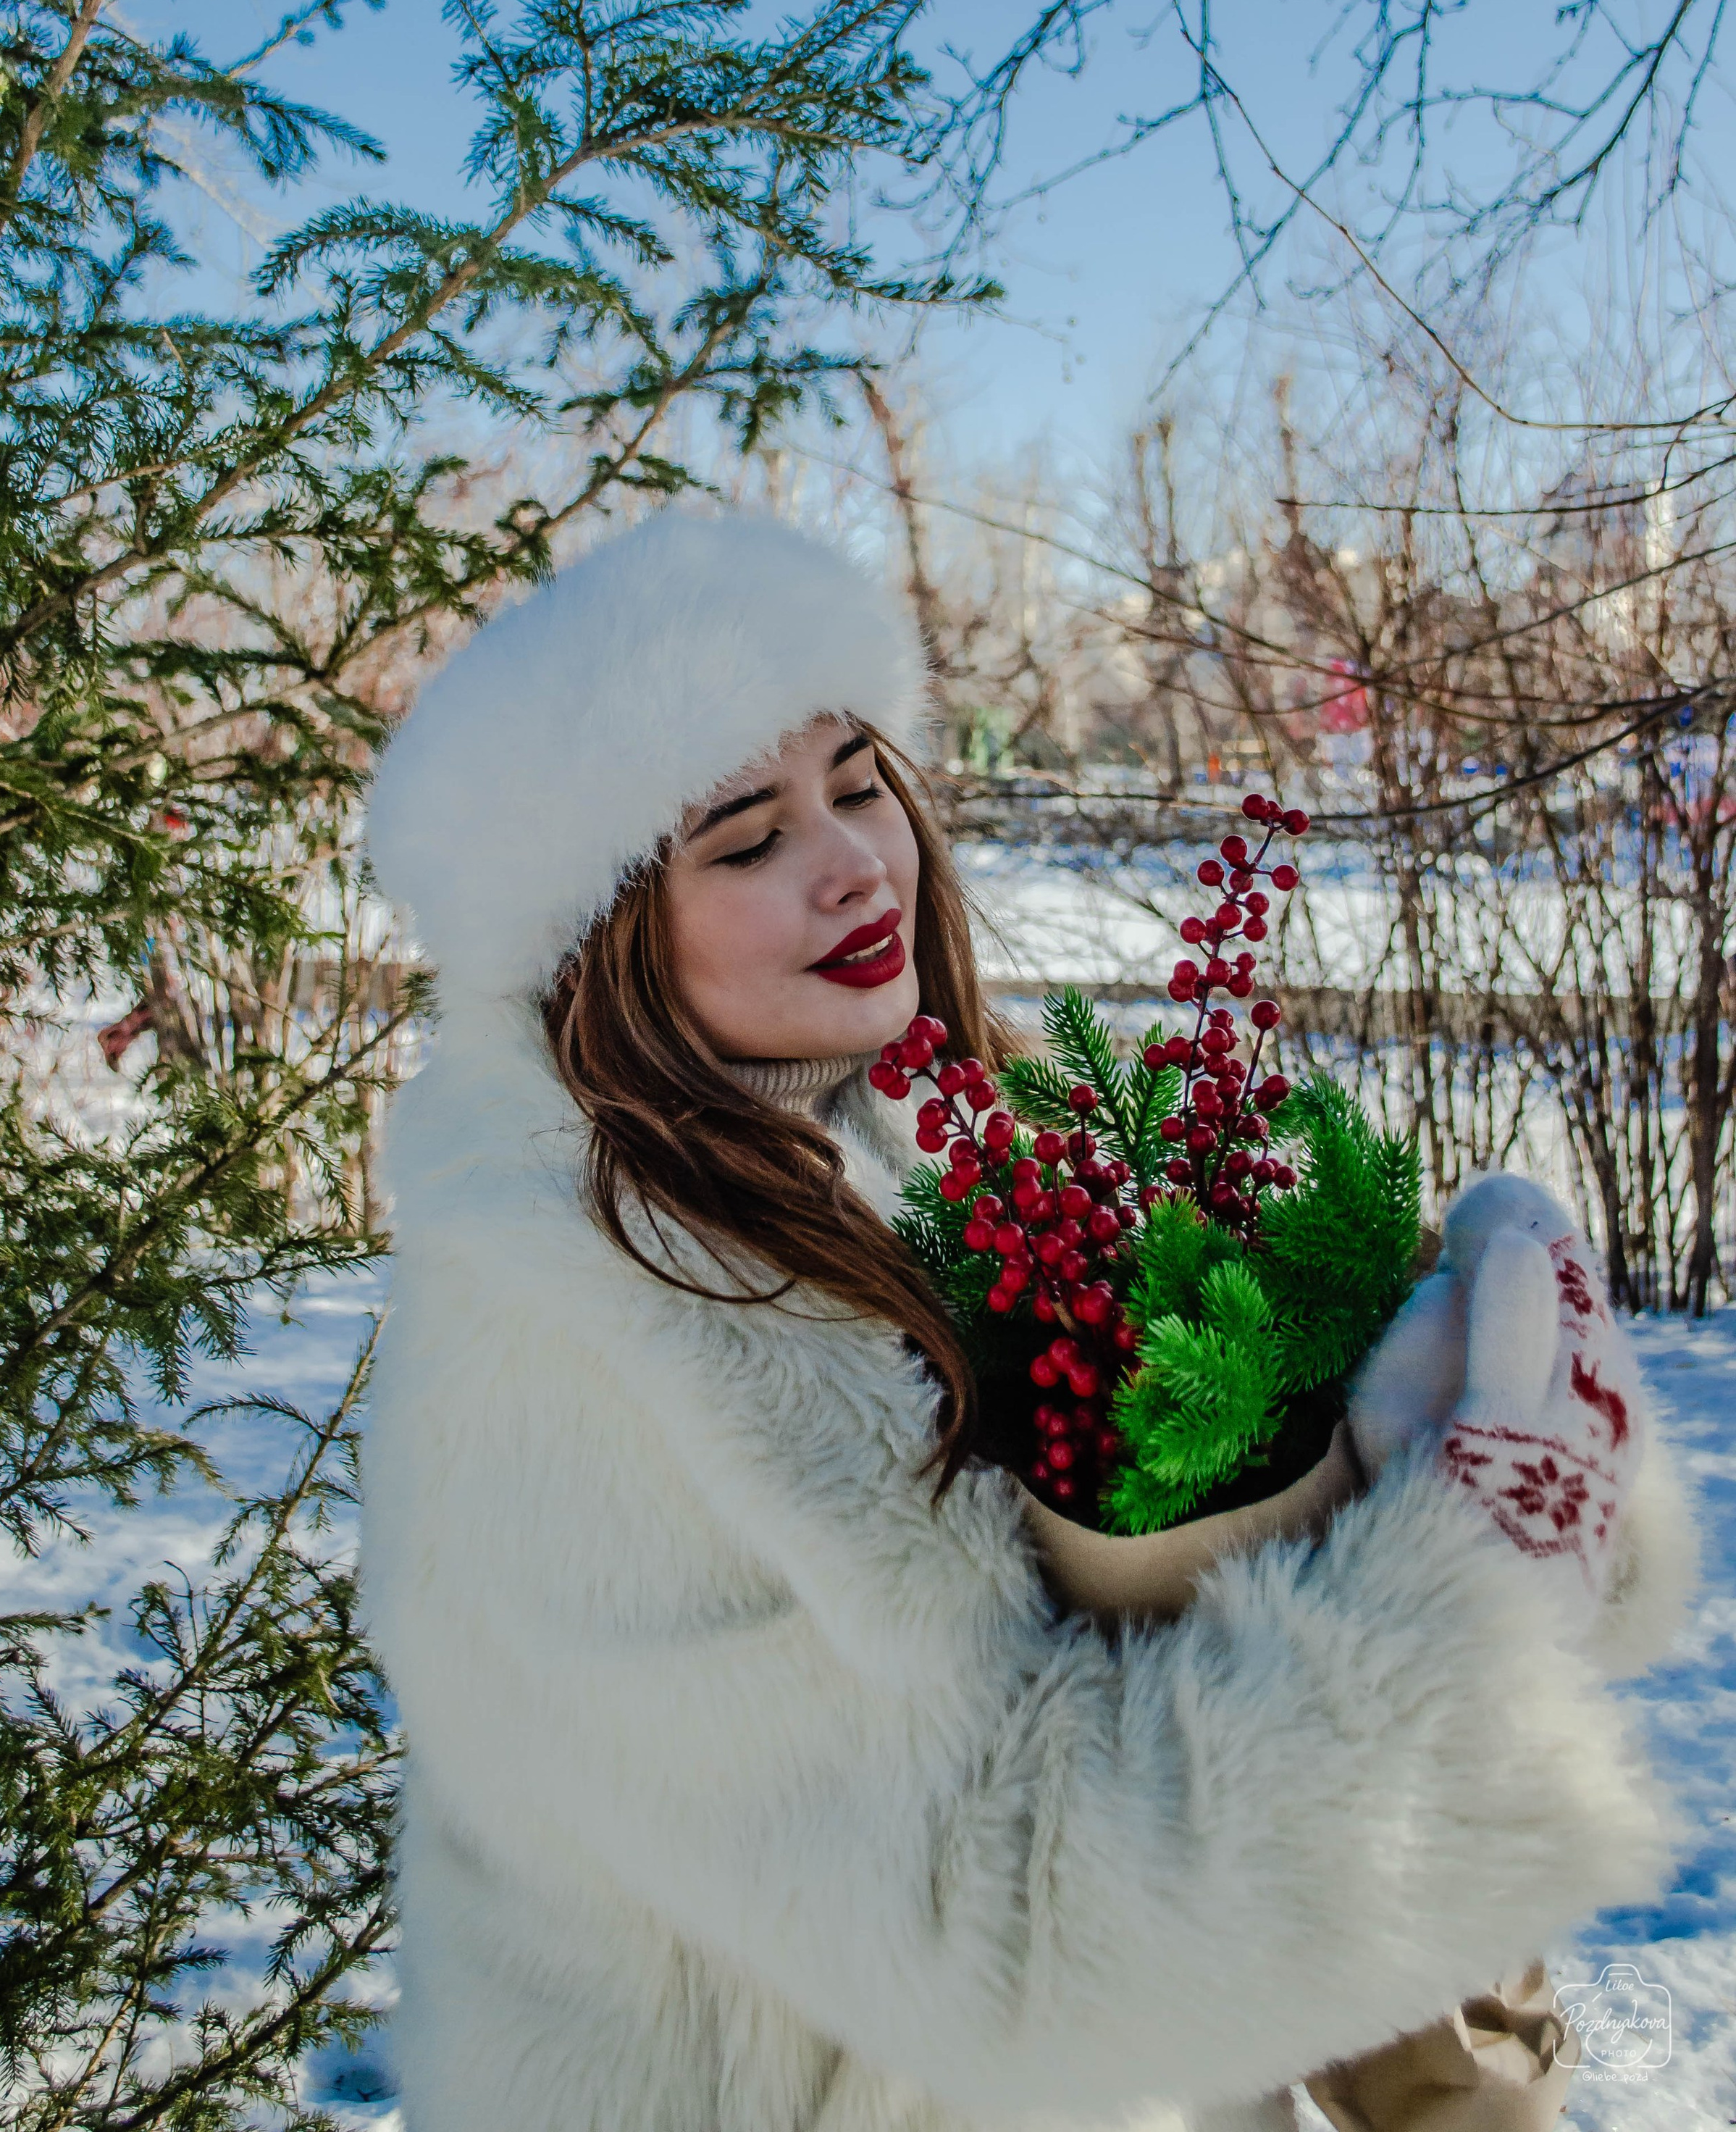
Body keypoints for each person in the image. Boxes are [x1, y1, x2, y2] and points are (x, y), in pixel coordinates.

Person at [360, 509, 1692, 2132]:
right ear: (598, 938)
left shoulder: (974, 1138)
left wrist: (1490, 1411)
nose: (851, 861)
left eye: (856, 785)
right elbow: (1002, 1926)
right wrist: (1456, 1580)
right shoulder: (564, 1339)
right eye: (742, 837)